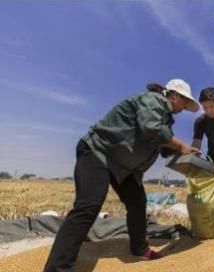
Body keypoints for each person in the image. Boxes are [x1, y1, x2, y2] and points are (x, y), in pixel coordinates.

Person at [44, 79, 200, 272]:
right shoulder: (153, 101)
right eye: (184, 103)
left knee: (137, 203)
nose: (184, 108)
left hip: (124, 169)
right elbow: (150, 128)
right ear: (175, 96)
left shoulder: (165, 118)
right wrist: (180, 145)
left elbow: (162, 145)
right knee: (88, 206)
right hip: (98, 153)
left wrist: (187, 156)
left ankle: (139, 248)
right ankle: (57, 268)